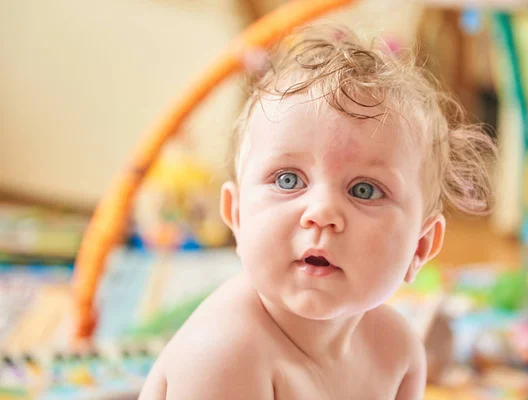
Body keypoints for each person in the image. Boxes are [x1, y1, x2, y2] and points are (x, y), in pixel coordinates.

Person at [139, 25, 496, 399]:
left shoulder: (398, 354)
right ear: (238, 216)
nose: (322, 212)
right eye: (289, 180)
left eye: (364, 190)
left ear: (420, 247)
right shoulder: (224, 353)